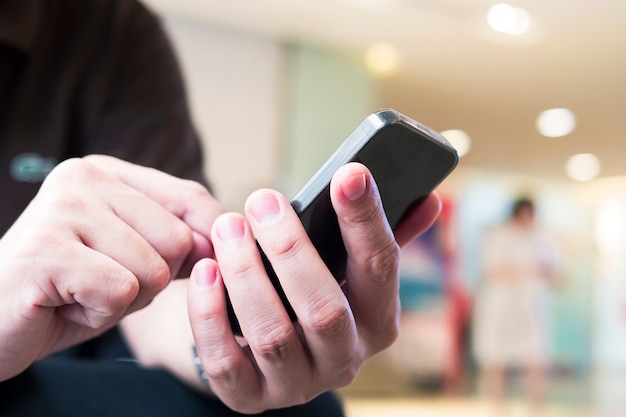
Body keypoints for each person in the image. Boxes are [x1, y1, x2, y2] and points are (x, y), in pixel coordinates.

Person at [0, 0, 442, 415]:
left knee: (300, 404)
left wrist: (223, 343)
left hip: (82, 353)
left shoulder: (107, 26)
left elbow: (161, 281)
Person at [472, 198, 559, 417]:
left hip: (532, 307)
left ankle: (536, 409)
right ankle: (498, 409)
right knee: (497, 359)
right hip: (503, 307)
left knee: (536, 359)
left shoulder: (543, 240)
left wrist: (540, 273)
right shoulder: (500, 237)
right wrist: (527, 270)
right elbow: (492, 269)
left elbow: (556, 274)